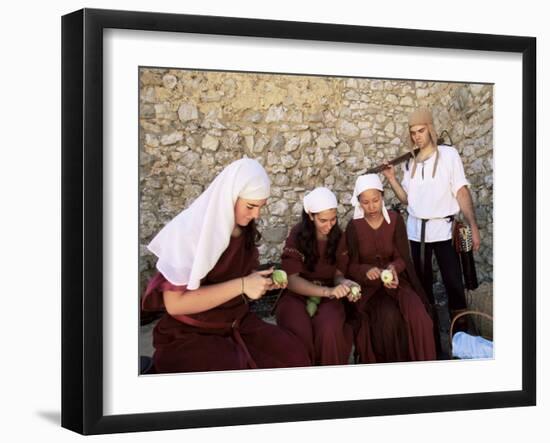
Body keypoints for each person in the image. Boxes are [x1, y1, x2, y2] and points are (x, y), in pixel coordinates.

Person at [141, 158, 311, 373]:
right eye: (250, 206)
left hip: (236, 322)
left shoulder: (244, 229)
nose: (256, 215)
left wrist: (259, 282)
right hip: (192, 331)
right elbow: (175, 304)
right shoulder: (188, 232)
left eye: (261, 207)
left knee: (293, 355)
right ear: (229, 198)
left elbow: (236, 275)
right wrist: (242, 285)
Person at [382, 107, 480, 348]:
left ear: (431, 129)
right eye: (413, 132)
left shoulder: (448, 155)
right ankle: (431, 342)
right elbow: (408, 200)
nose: (417, 136)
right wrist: (392, 179)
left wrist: (473, 227)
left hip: (445, 231)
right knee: (423, 288)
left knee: (454, 285)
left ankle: (462, 340)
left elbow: (461, 191)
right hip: (418, 235)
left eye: (421, 130)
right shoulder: (409, 163)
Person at [344, 174, 436, 363]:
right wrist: (365, 271)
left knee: (421, 317)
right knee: (388, 318)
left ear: (382, 197)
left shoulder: (395, 220)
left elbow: (403, 257)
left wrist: (394, 268)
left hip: (398, 282)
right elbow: (350, 266)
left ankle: (426, 367)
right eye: (366, 202)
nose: (371, 207)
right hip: (370, 289)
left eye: (375, 201)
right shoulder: (354, 227)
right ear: (359, 203)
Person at [274, 187, 358, 366]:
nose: (330, 225)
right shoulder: (297, 235)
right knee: (299, 329)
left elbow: (338, 275)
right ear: (311, 216)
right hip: (298, 295)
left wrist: (345, 284)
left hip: (330, 294)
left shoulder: (338, 237)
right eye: (323, 220)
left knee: (330, 328)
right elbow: (292, 280)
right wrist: (327, 291)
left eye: (333, 219)